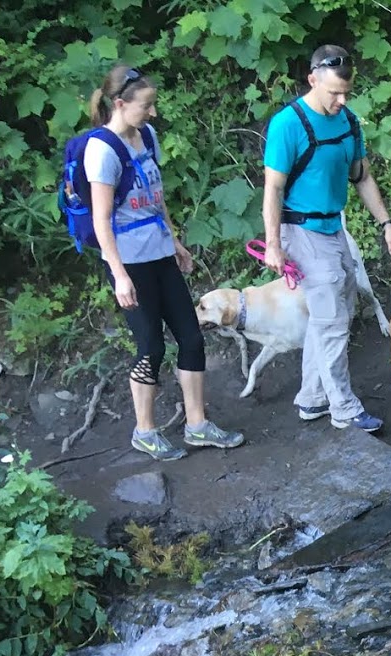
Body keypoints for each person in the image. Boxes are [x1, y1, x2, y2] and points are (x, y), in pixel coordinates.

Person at [87, 65, 244, 461]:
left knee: (190, 336)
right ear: (120, 104)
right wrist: (119, 274)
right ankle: (145, 430)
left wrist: (174, 242)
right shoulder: (102, 150)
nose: (153, 113)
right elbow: (101, 219)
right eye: (146, 106)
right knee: (150, 347)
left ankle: (197, 425)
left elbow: (156, 197)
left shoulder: (148, 137)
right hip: (131, 263)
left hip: (160, 254)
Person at [262, 45, 391, 433]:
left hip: (333, 229)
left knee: (333, 314)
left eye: (346, 93)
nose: (341, 101)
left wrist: (386, 223)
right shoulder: (287, 125)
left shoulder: (348, 121)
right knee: (334, 321)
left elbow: (363, 177)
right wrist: (273, 243)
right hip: (300, 230)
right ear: (312, 80)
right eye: (334, 93)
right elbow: (272, 189)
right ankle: (343, 408)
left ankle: (312, 399)